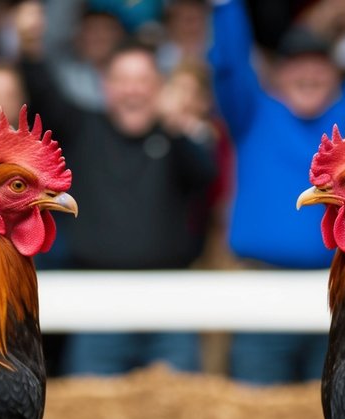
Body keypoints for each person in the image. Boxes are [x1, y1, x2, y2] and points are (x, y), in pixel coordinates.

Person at [209, 0, 345, 384]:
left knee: (334, 415)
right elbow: (230, 63)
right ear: (278, 74)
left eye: (319, 64)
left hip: (342, 291)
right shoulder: (251, 112)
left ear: (336, 72)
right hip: (261, 293)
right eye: (296, 64)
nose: (308, 74)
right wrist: (225, 6)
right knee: (259, 413)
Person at [21, 33, 219, 376]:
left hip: (170, 304)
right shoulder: (82, 128)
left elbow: (206, 175)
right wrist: (28, 42)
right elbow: (43, 91)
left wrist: (175, 126)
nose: (133, 90)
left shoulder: (175, 138)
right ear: (105, 86)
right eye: (122, 81)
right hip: (98, 305)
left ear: (159, 88)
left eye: (143, 81)